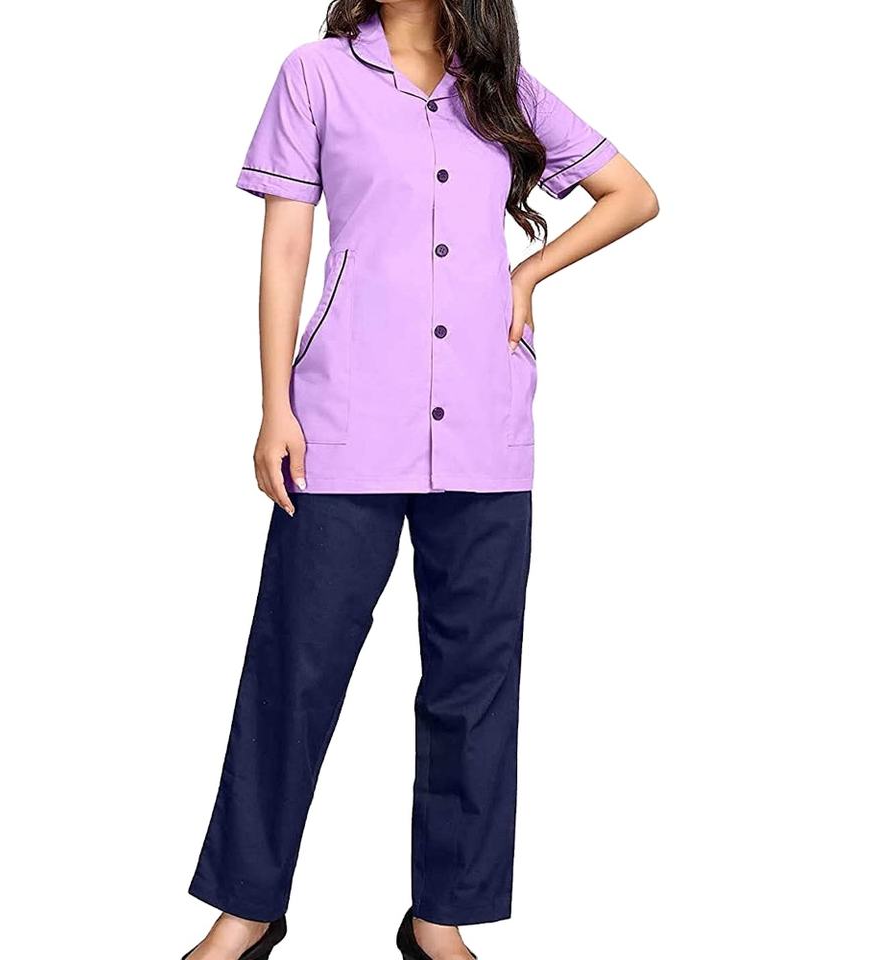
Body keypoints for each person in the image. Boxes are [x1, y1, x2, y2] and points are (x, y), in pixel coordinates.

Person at [184, 1, 658, 958]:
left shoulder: (502, 89)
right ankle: (246, 909)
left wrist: (527, 275)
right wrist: (275, 405)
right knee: (293, 670)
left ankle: (439, 921)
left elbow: (631, 194)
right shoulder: (316, 74)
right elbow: (286, 246)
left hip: (484, 424)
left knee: (473, 685)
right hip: (342, 422)